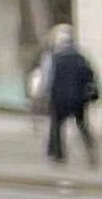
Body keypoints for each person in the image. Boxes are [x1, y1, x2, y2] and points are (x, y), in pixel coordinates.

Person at [41, 24, 97, 164]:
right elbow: (90, 76)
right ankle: (90, 150)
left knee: (57, 126)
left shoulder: (56, 58)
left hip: (60, 98)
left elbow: (50, 79)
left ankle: (59, 155)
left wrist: (47, 95)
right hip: (78, 99)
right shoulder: (80, 57)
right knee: (82, 125)